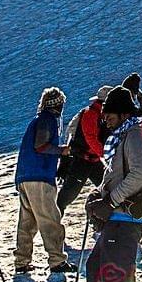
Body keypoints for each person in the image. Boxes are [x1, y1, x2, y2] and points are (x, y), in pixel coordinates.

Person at [81, 86, 142, 282]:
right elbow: (117, 174)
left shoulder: (134, 135)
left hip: (127, 217)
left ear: (123, 113)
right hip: (117, 216)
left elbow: (140, 175)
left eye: (109, 114)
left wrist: (109, 201)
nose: (105, 119)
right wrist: (98, 195)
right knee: (96, 268)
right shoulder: (123, 136)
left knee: (115, 275)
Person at [13, 87, 71, 275]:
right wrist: (62, 150)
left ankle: (22, 261)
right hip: (40, 175)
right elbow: (41, 145)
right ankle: (57, 260)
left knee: (27, 222)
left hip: (25, 175)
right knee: (50, 219)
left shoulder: (36, 120)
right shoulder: (48, 120)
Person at [58, 85, 111, 215]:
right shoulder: (91, 114)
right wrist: (106, 155)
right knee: (66, 197)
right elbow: (91, 138)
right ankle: (53, 224)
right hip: (82, 160)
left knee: (108, 189)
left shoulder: (95, 112)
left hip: (91, 159)